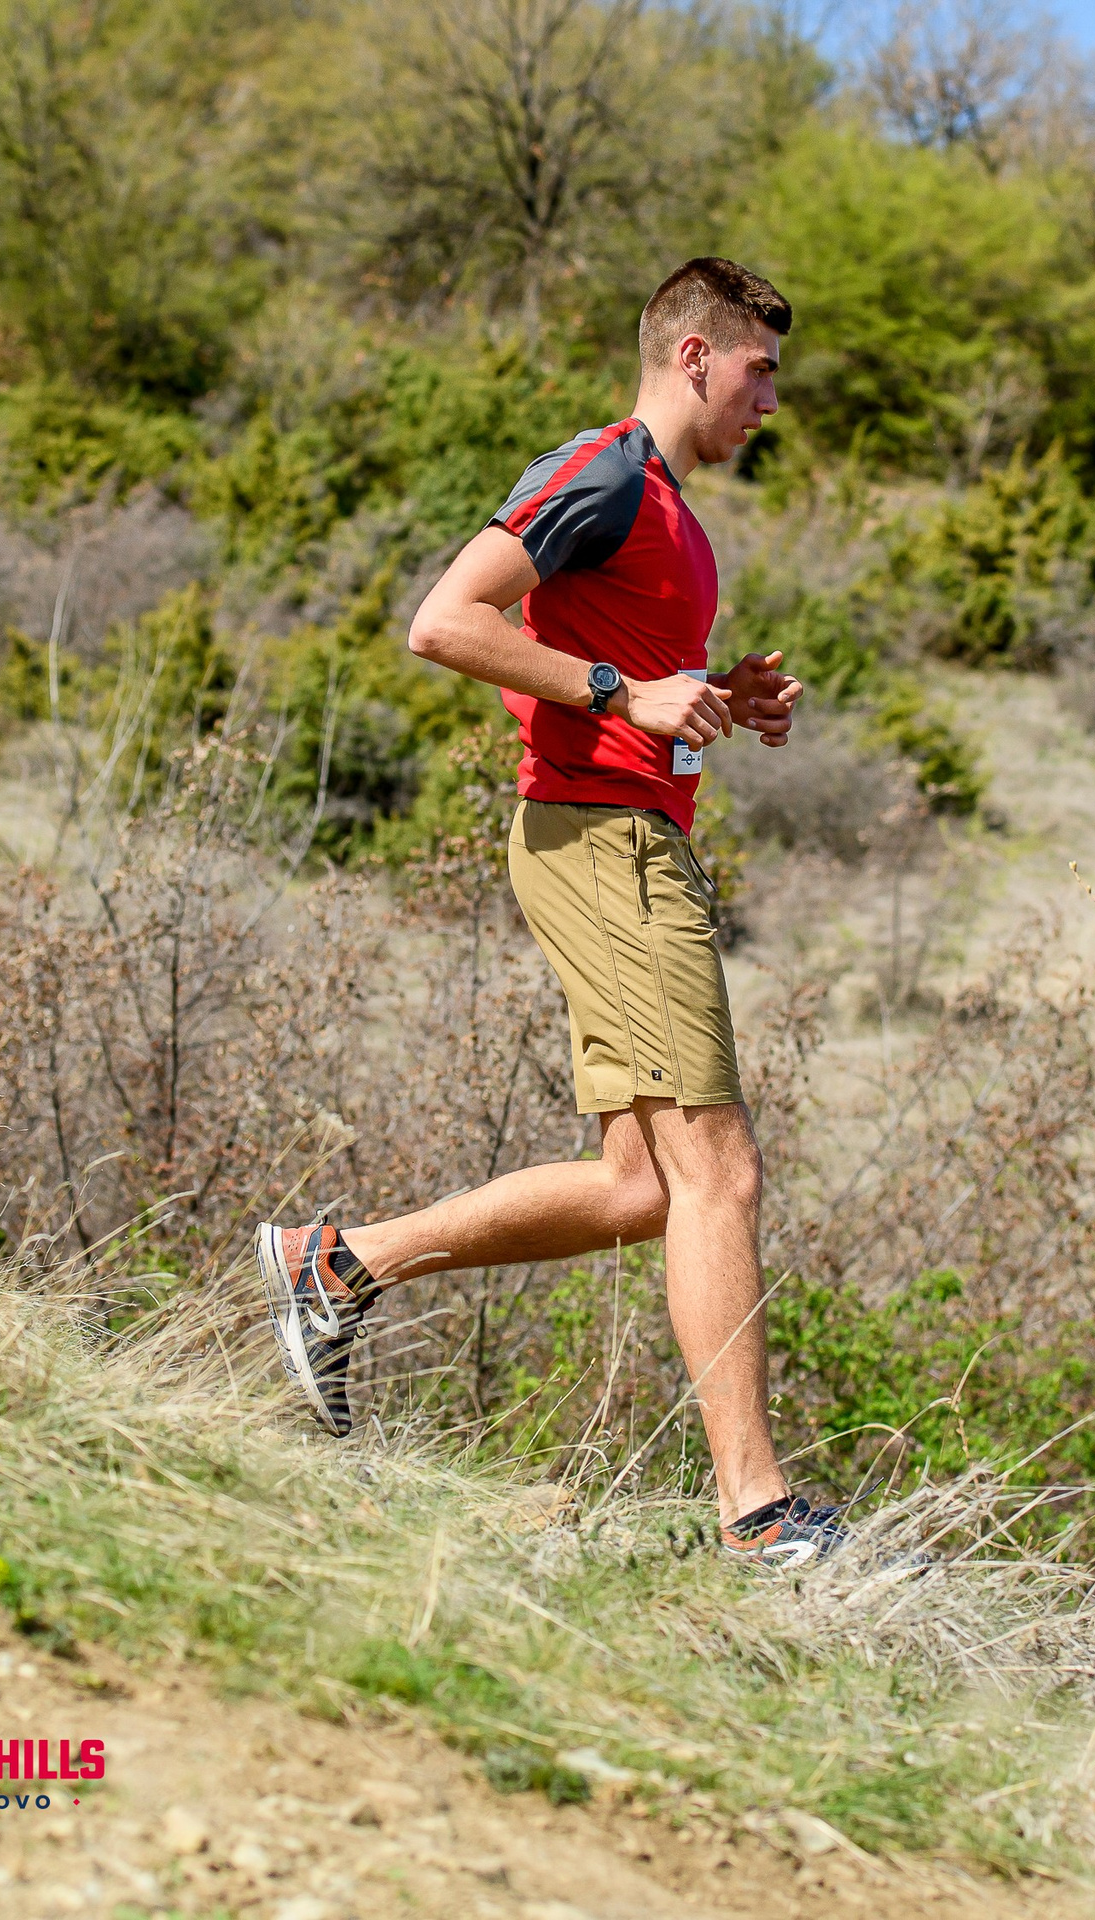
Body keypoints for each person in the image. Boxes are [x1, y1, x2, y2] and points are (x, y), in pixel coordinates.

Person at [253, 258, 845, 1569]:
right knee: (722, 1172)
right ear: (694, 356)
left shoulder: (673, 517)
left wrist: (713, 697)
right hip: (604, 846)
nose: (770, 401)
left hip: (627, 836)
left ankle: (336, 1265)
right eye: (760, 373)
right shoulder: (606, 472)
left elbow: (626, 676)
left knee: (644, 1189)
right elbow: (443, 621)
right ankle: (760, 1517)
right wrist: (622, 692)